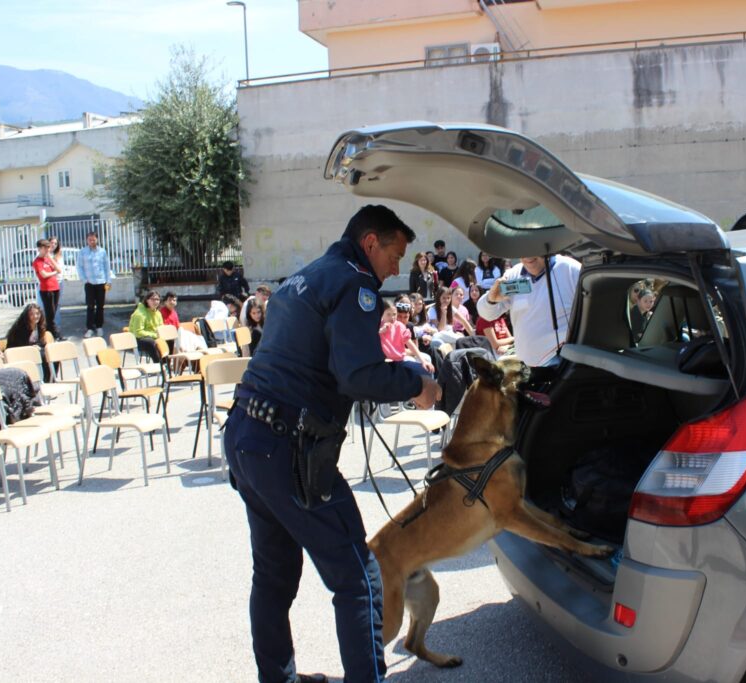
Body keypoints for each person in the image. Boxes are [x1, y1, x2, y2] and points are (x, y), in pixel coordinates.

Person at [225, 203, 440, 683]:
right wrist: (415, 380)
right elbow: (357, 375)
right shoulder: (354, 283)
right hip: (288, 449)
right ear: (370, 243)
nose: (397, 268)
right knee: (357, 578)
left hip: (247, 437)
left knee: (275, 577)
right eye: (395, 254)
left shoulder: (308, 276)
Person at [478, 254, 581, 367]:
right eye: (522, 248)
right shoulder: (513, 275)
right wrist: (490, 300)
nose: (527, 254)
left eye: (532, 247)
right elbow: (487, 314)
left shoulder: (571, 270)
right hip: (526, 367)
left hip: (561, 365)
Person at [379, 300, 435, 375]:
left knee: (426, 366)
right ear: (382, 314)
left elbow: (410, 343)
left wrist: (423, 361)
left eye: (394, 314)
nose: (392, 317)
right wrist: (380, 332)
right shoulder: (378, 326)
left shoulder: (400, 326)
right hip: (385, 362)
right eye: (388, 314)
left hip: (400, 360)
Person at [5, 304, 54, 382]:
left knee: (52, 356)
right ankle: (42, 382)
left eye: (37, 313)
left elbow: (41, 342)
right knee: (44, 356)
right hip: (18, 353)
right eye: (31, 314)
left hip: (34, 351)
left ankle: (50, 380)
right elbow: (19, 345)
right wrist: (31, 347)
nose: (35, 316)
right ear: (27, 316)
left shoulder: (39, 326)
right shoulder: (20, 328)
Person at [77, 231, 112, 339]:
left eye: (93, 239)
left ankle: (99, 326)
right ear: (87, 240)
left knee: (100, 306)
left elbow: (107, 267)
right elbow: (79, 267)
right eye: (89, 239)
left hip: (101, 282)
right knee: (90, 306)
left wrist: (108, 281)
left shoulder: (102, 251)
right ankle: (90, 328)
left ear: (97, 239)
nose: (91, 241)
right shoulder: (82, 252)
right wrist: (84, 280)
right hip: (89, 283)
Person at [32, 238, 62, 341]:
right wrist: (54, 273)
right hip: (46, 289)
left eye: (48, 248)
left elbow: (59, 269)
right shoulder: (37, 261)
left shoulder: (48, 259)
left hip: (55, 287)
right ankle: (54, 334)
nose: (47, 250)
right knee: (50, 314)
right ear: (39, 249)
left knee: (53, 313)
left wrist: (50, 258)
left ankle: (50, 334)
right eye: (45, 248)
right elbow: (44, 275)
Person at [129, 290, 164, 362]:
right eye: (152, 299)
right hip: (137, 340)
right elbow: (138, 332)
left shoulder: (158, 313)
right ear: (147, 300)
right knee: (151, 342)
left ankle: (166, 364)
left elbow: (161, 328)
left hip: (154, 337)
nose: (155, 301)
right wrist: (154, 335)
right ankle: (158, 365)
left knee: (169, 339)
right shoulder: (140, 314)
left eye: (157, 299)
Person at [48, 235, 65, 336]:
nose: (53, 245)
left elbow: (59, 270)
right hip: (48, 283)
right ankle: (46, 329)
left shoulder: (59, 255)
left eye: (55, 243)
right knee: (47, 307)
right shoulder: (44, 254)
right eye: (52, 243)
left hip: (58, 282)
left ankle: (56, 327)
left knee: (57, 306)